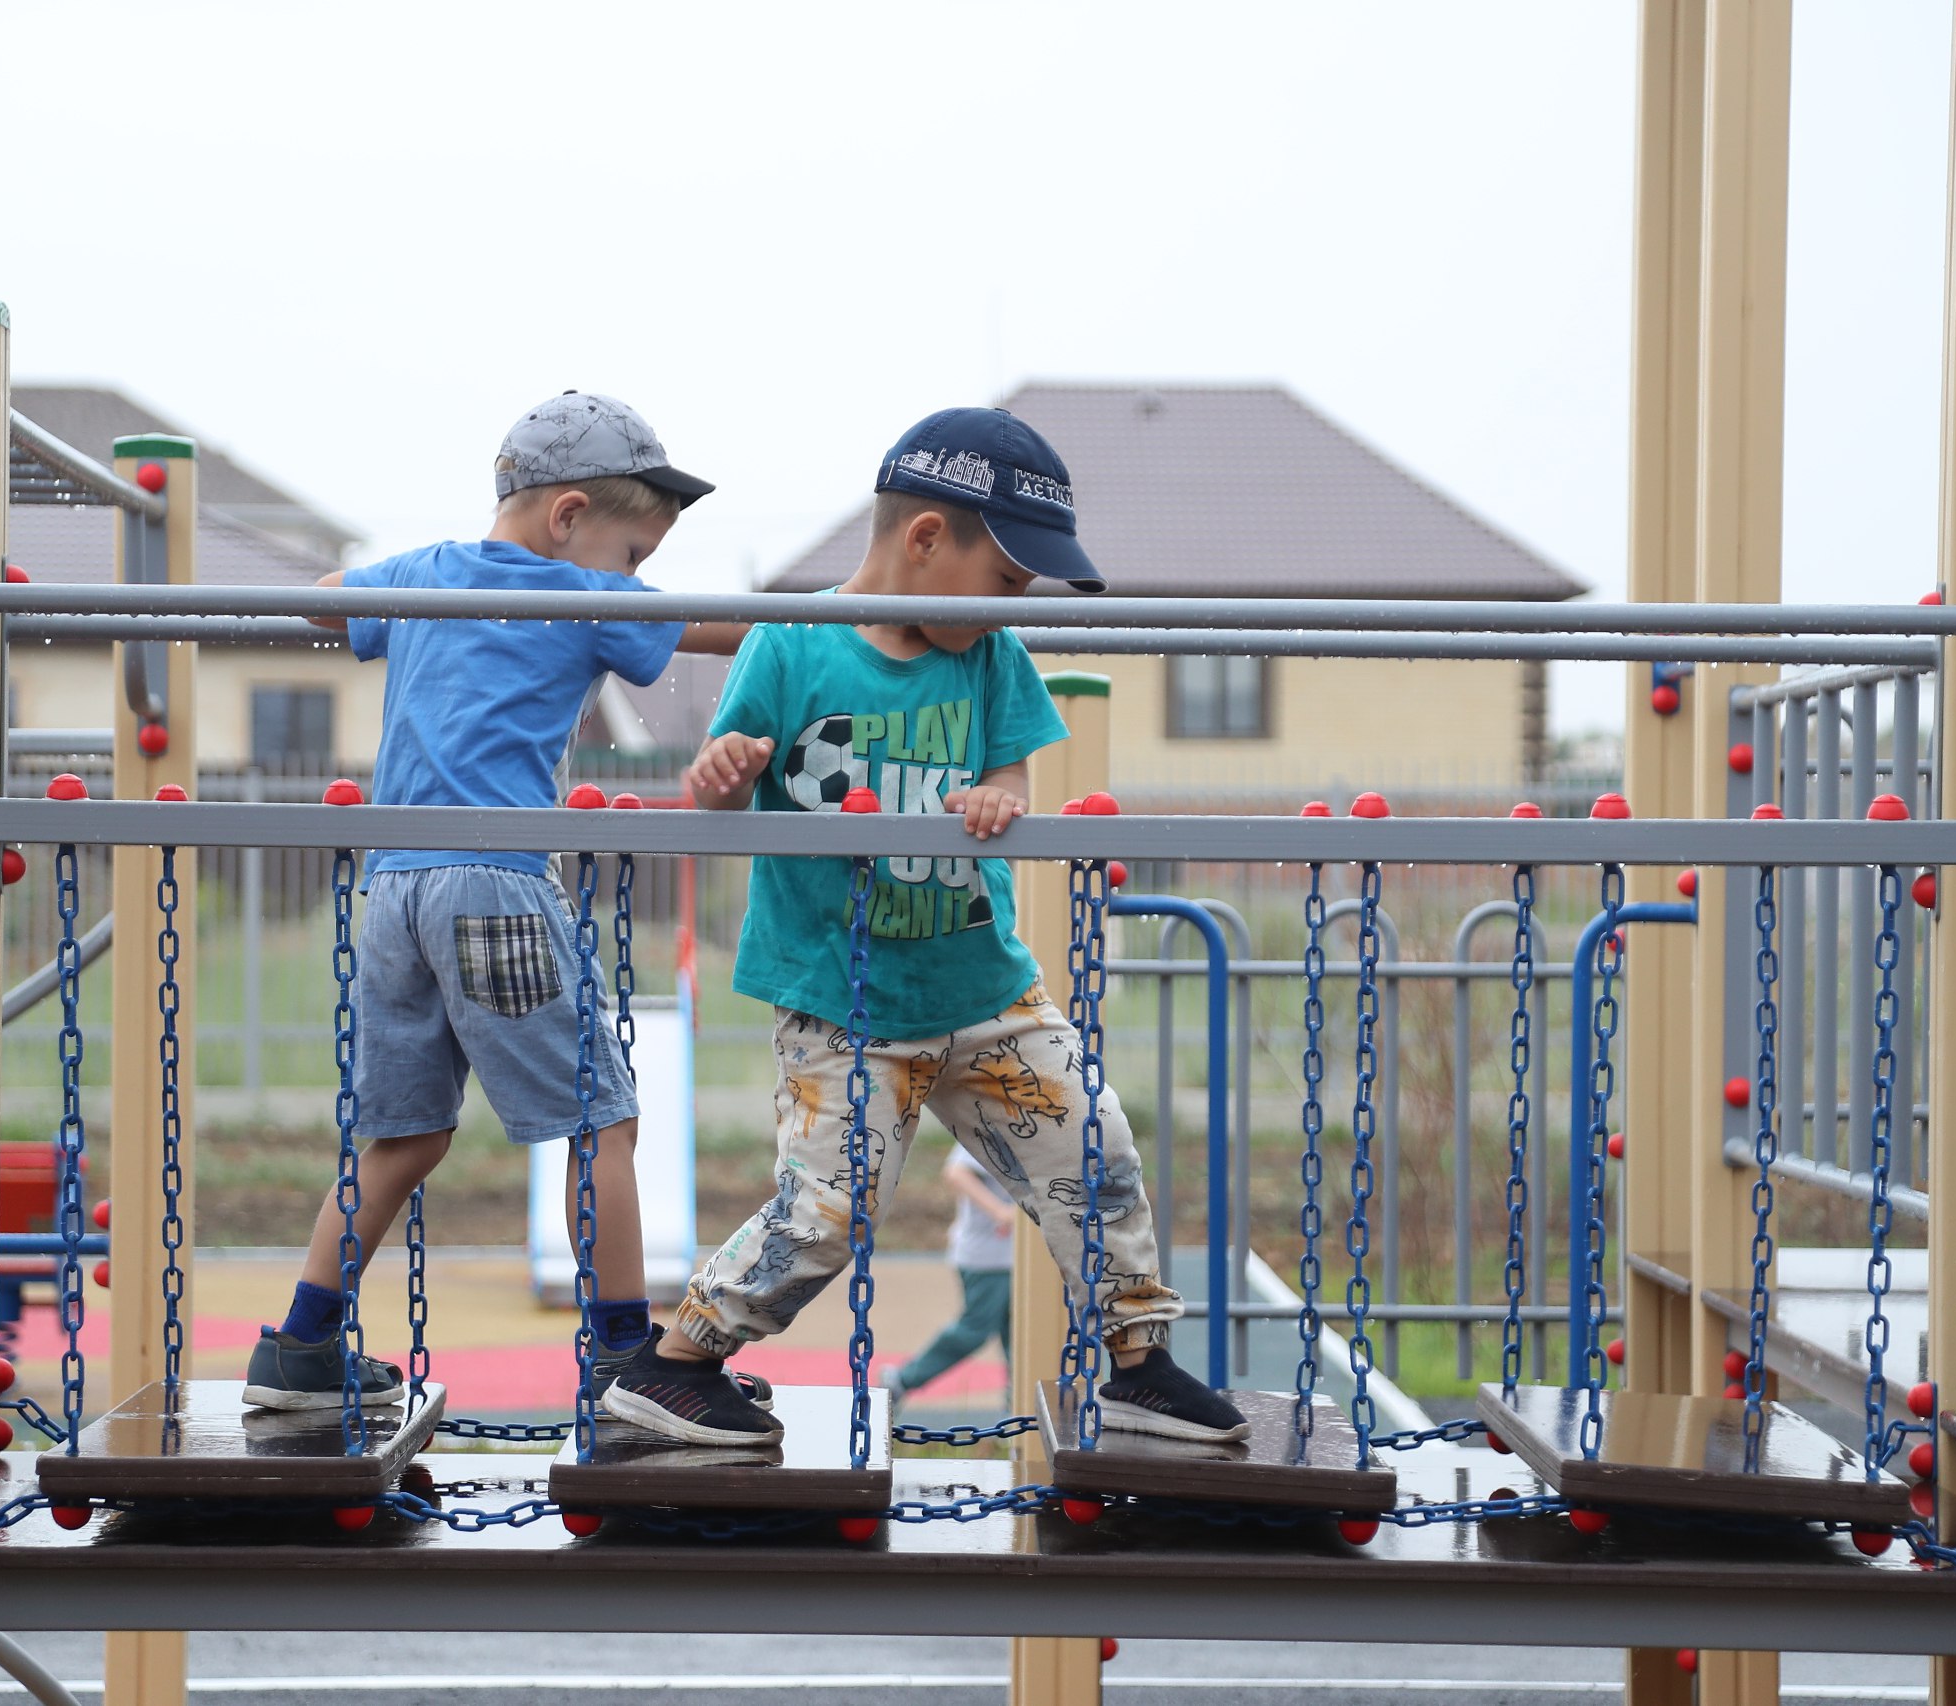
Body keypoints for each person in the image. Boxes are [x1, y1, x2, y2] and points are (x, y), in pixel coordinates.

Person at [600, 406, 1246, 1447]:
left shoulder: (985, 657)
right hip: (842, 1000)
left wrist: (998, 794)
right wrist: (720, 772)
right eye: (1007, 579)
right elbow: (715, 787)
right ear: (925, 540)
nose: (1011, 606)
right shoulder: (793, 641)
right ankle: (677, 1364)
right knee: (828, 1212)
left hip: (986, 990)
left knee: (1097, 1154)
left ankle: (1140, 1362)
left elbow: (1009, 767)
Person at [244, 392, 744, 1411]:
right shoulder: (578, 590)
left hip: (391, 888)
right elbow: (712, 629)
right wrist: (854, 620)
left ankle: (298, 1347)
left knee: (406, 1136)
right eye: (632, 552)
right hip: (496, 887)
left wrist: (387, 590)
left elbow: (324, 597)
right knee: (601, 1123)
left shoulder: (427, 574)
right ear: (566, 518)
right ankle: (621, 1356)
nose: (633, 579)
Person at [886, 1144, 1015, 1405]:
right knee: (975, 1327)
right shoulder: (992, 1125)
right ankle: (903, 1379)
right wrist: (1000, 1211)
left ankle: (1018, 1402)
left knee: (1017, 1333)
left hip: (1009, 1256)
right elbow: (956, 1172)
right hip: (988, 1257)